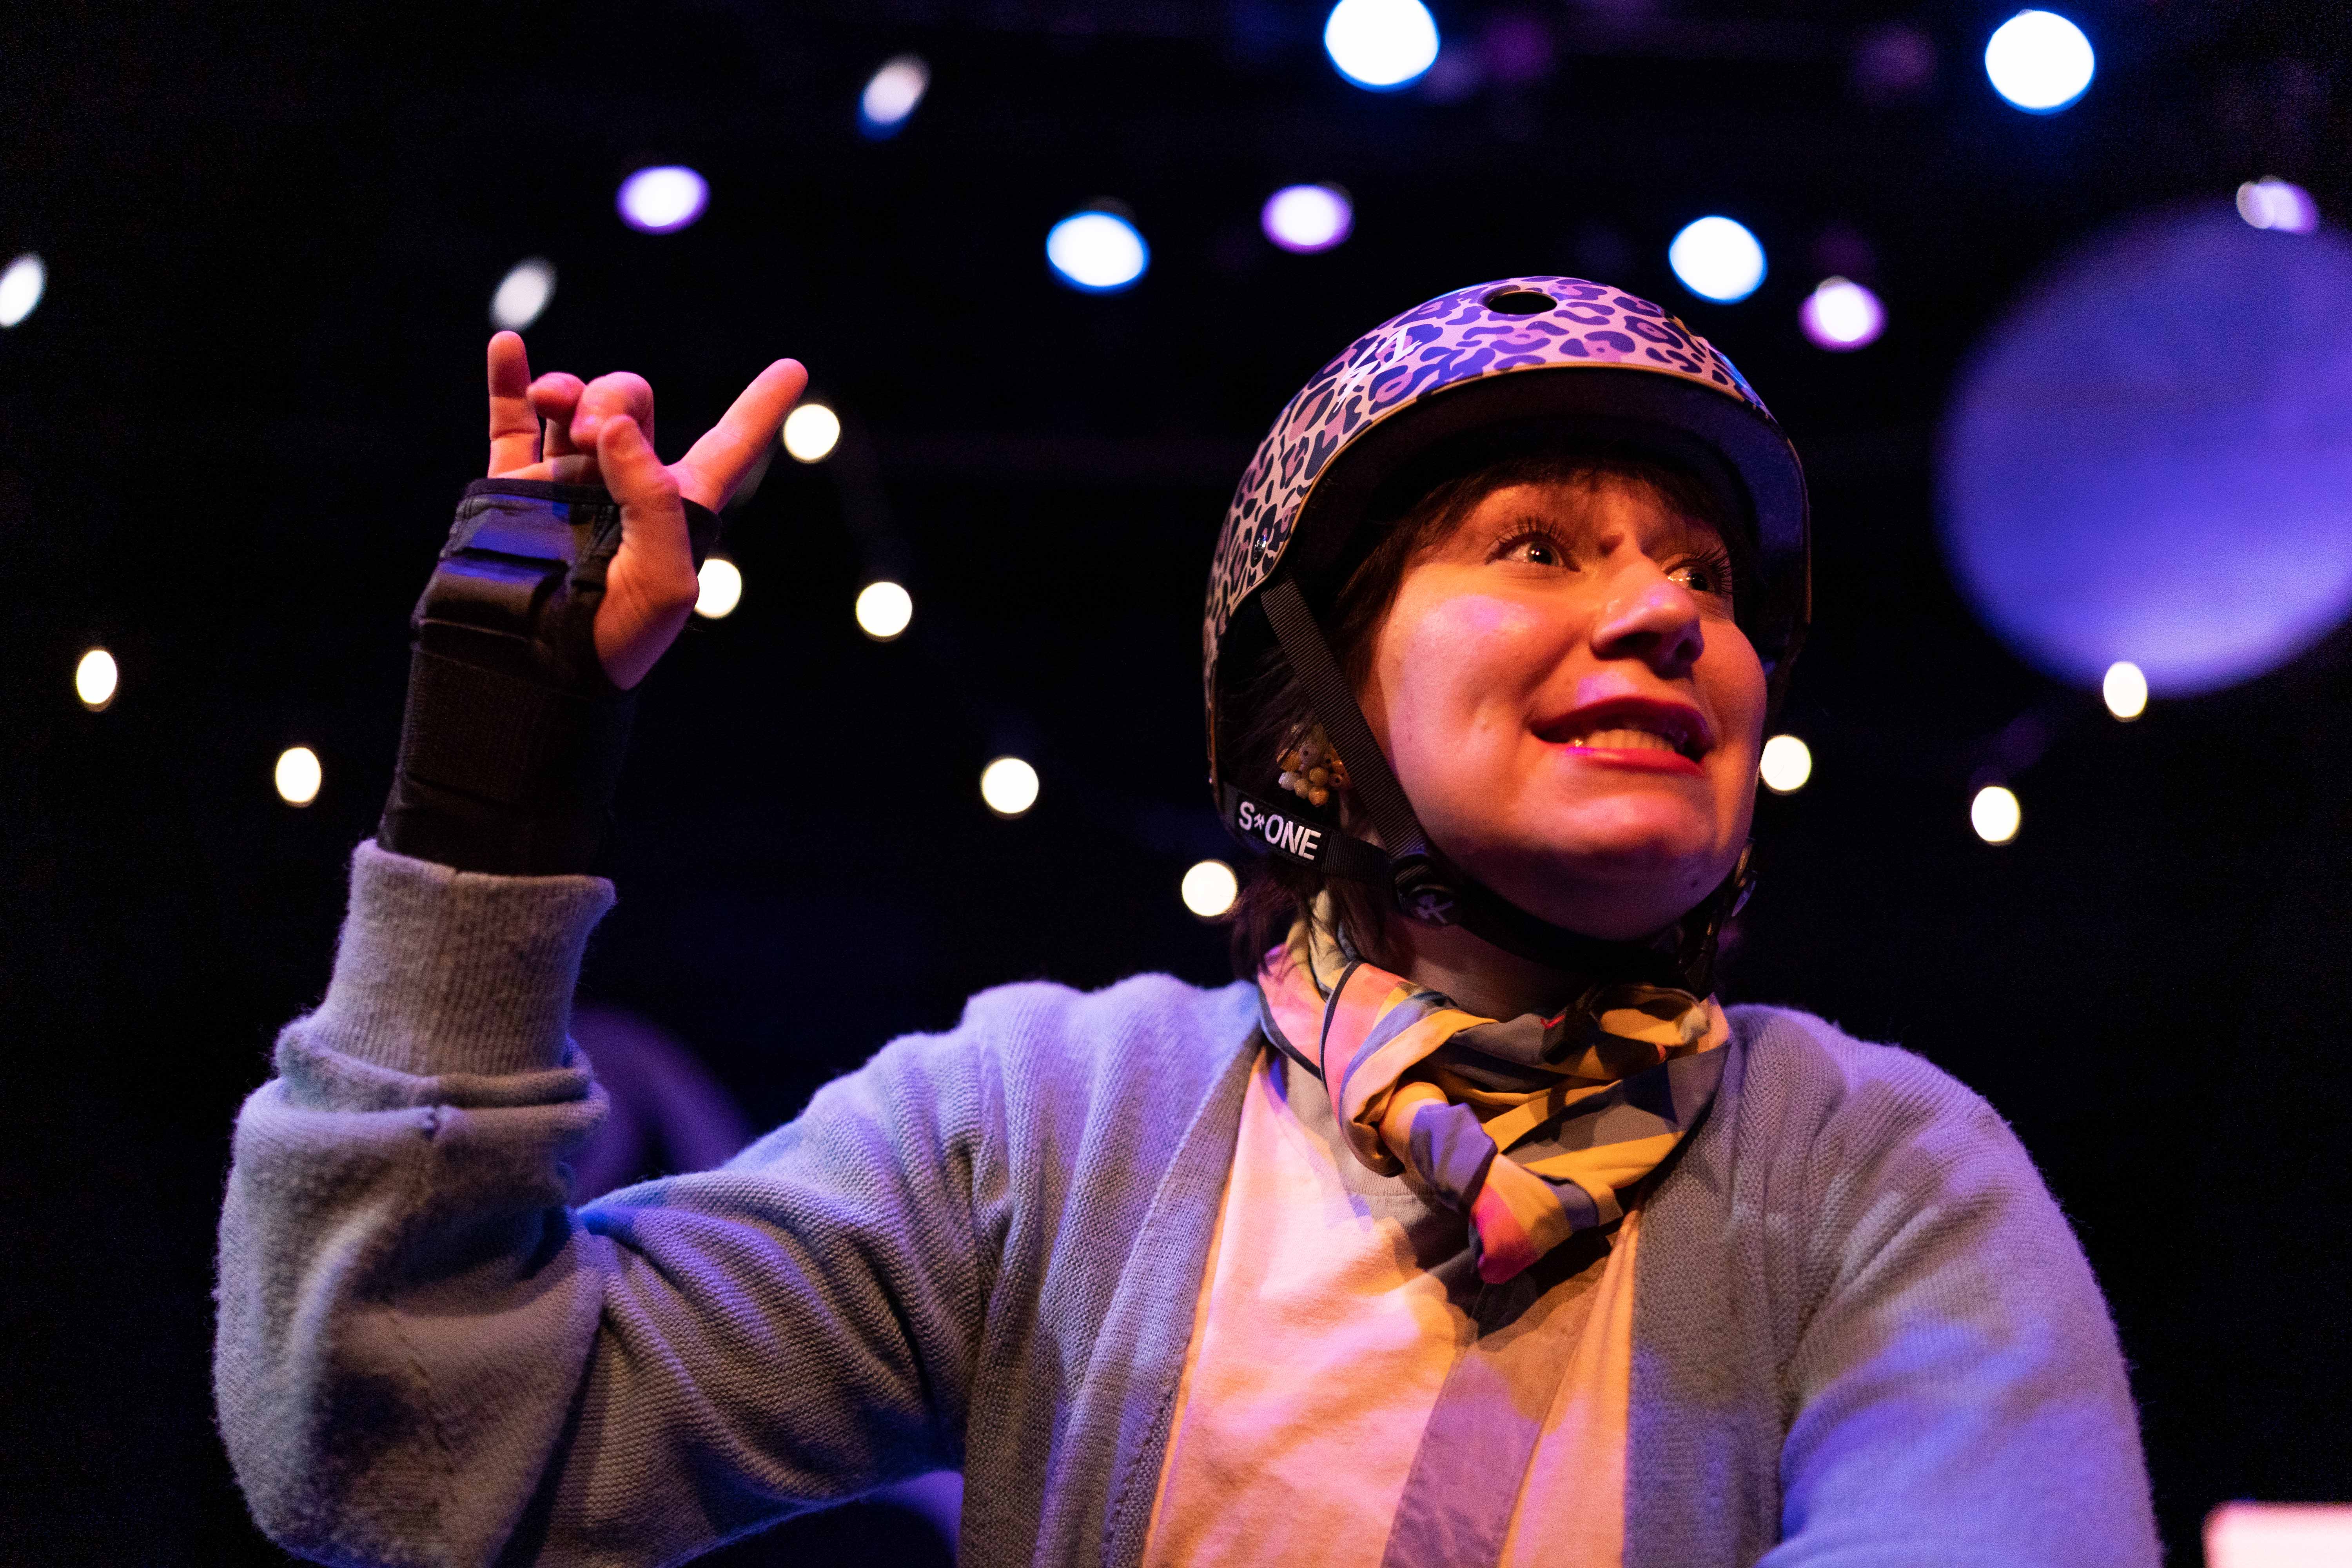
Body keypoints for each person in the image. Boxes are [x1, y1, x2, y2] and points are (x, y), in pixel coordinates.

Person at [216, 278, 2160, 1567]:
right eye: (1541, 547)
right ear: (1314, 712)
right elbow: (412, 1434)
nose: (1667, 615)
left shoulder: (1883, 1177)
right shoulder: (1049, 1126)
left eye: (1706, 576)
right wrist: (494, 773)